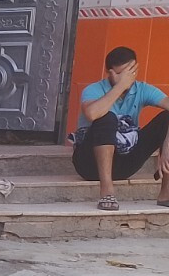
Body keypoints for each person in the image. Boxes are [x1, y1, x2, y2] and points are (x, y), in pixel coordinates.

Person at [72, 46, 169, 210]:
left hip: (124, 164)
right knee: (107, 117)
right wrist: (120, 86)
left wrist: (167, 145)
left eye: (131, 70)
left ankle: (166, 193)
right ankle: (106, 190)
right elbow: (91, 113)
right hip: (88, 164)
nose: (129, 76)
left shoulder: (142, 89)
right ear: (110, 73)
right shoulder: (93, 89)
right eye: (122, 73)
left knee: (166, 118)